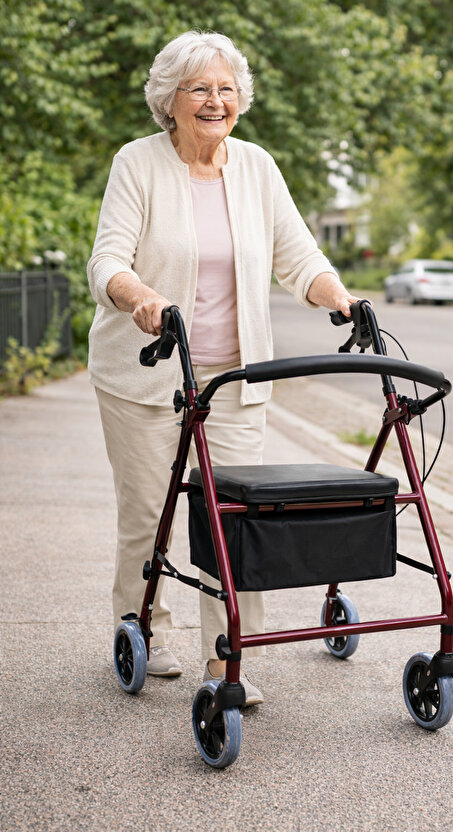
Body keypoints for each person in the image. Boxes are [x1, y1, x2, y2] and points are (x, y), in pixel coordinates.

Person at [88, 30, 358, 705]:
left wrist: (340, 298)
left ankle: (226, 656)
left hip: (234, 379)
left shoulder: (257, 167)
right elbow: (107, 260)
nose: (215, 101)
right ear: (170, 99)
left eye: (226, 89)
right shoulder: (137, 163)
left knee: (234, 518)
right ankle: (144, 625)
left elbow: (298, 256)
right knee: (149, 513)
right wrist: (140, 296)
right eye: (199, 89)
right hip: (146, 373)